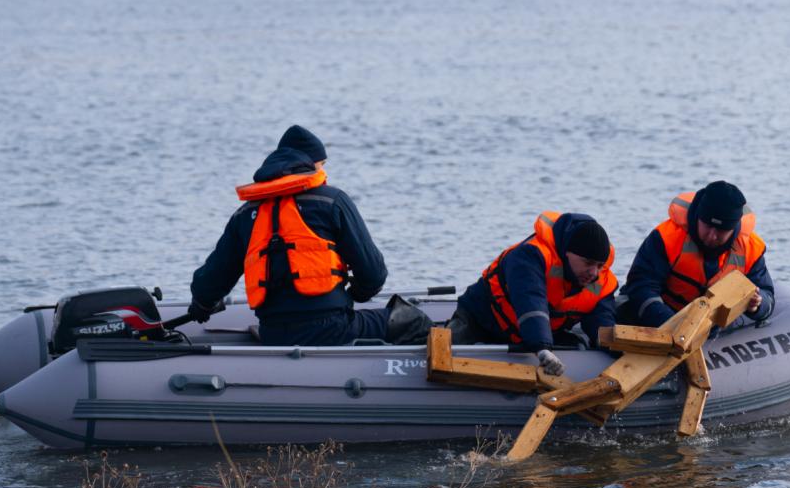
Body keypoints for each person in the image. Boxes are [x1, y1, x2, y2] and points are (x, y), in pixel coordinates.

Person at [187, 125, 430, 346]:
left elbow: (209, 283)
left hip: (273, 332)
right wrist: (357, 294)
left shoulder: (245, 214)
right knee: (413, 320)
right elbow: (374, 274)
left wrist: (202, 306)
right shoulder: (331, 201)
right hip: (332, 329)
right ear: (312, 165)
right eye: (323, 165)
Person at [447, 212, 618, 376]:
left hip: (536, 334)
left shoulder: (600, 281)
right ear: (567, 253)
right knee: (449, 343)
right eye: (588, 263)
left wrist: (614, 346)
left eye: (599, 265)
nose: (594, 272)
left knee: (578, 344)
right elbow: (530, 299)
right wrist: (542, 347)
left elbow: (601, 319)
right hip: (482, 318)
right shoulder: (531, 256)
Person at [616, 181, 774, 328]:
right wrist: (672, 325)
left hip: (707, 326)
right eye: (707, 226)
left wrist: (757, 305)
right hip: (659, 317)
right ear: (698, 217)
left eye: (721, 230)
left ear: (733, 229)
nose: (712, 236)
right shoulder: (666, 238)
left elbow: (767, 294)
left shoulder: (751, 249)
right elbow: (641, 285)